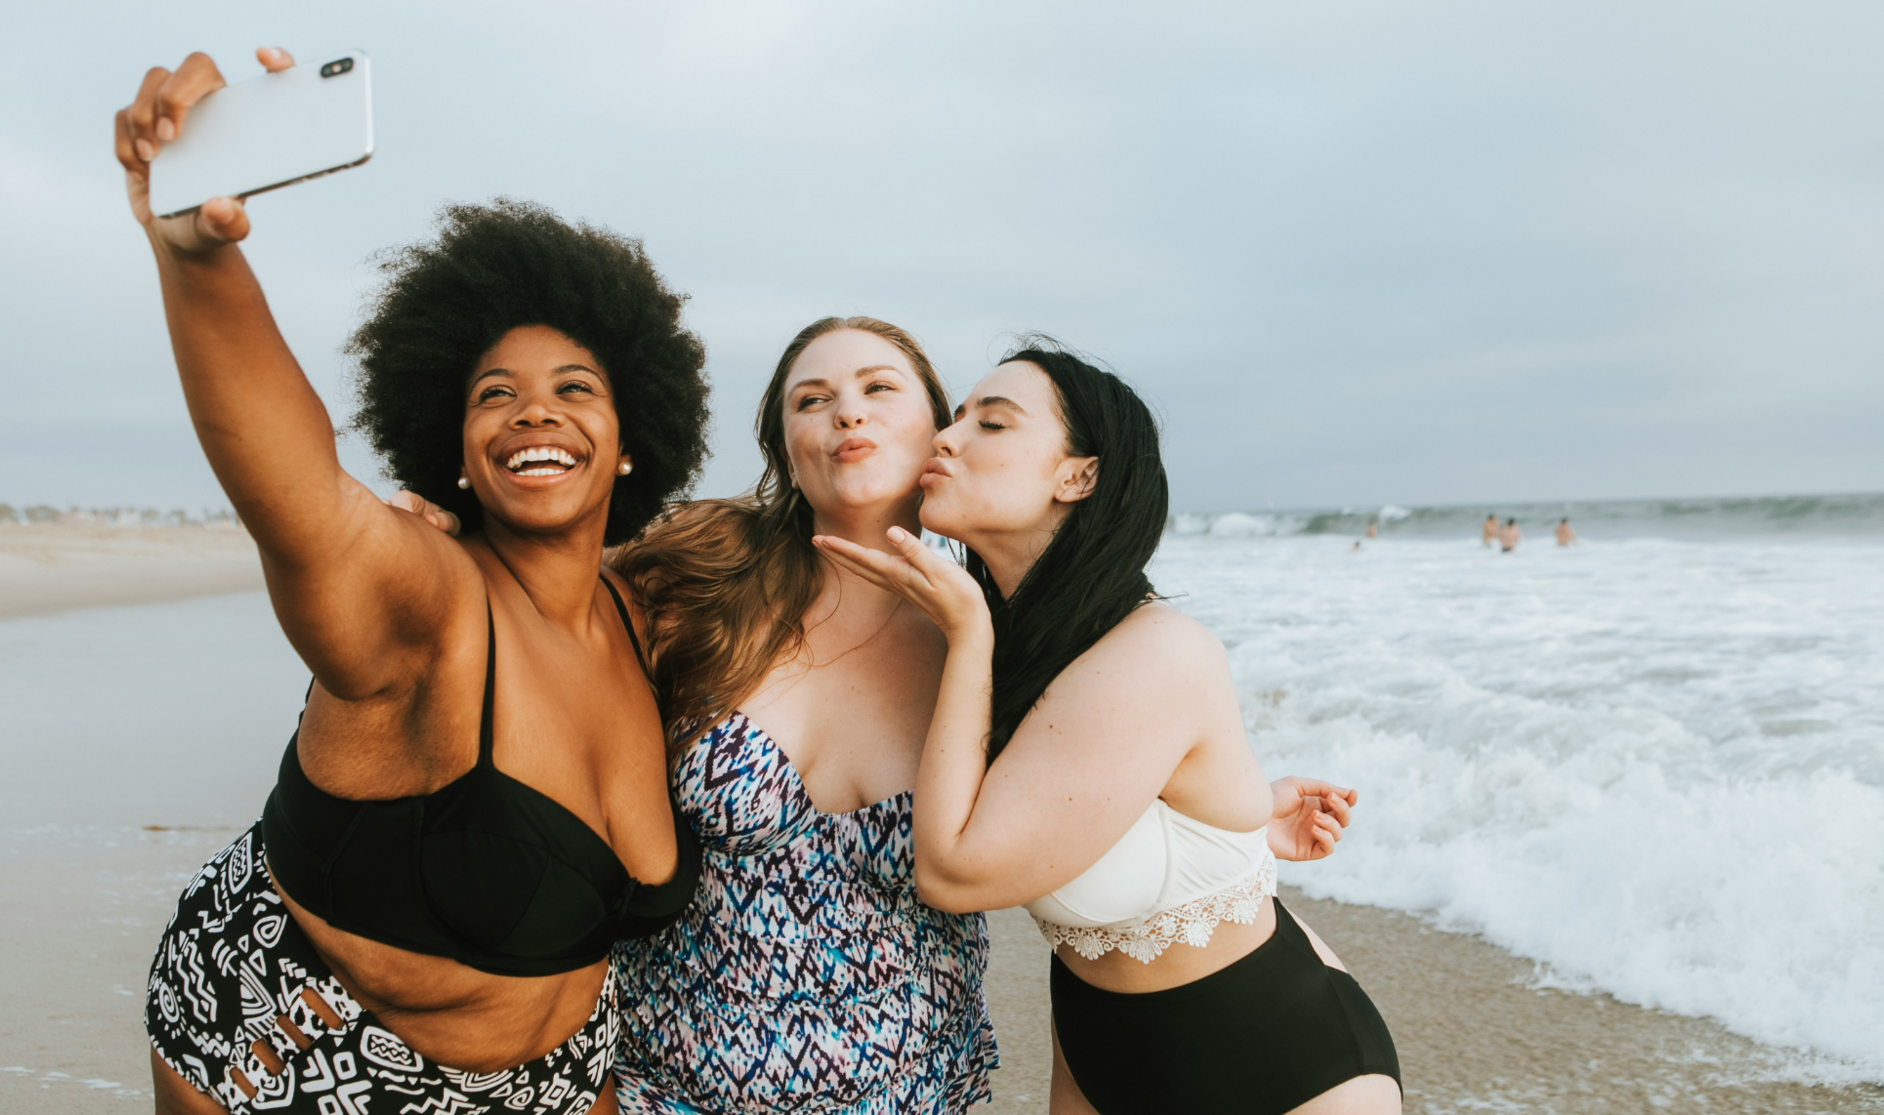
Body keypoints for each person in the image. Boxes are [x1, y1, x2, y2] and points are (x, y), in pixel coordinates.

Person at [396, 320, 1359, 1111]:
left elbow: (1097, 772)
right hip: (668, 1083)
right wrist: (459, 547)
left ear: (940, 436)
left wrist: (1238, 817)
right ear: (787, 447)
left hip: (914, 1090)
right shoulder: (696, 572)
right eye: (810, 400)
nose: (844, 409)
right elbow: (538, 624)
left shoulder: (1016, 642)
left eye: (878, 389)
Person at [120, 49, 708, 1115]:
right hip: (297, 1044)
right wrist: (195, 261)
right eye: (495, 394)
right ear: (454, 443)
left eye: (574, 388)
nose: (534, 411)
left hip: (562, 1076)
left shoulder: (641, 606)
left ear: (630, 441)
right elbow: (294, 488)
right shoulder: (425, 598)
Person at [819, 344, 1399, 1115]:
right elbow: (1091, 789)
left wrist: (966, 633)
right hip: (1097, 1047)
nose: (948, 439)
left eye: (991, 422)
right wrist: (1246, 817)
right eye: (954, 418)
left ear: (1077, 474)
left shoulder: (1153, 649)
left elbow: (953, 872)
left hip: (1282, 1068)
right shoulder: (1021, 640)